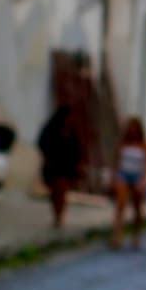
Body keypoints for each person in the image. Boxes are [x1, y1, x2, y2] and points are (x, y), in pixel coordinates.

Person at [31, 99, 85, 233]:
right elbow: (42, 143)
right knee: (55, 192)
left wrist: (78, 163)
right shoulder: (52, 128)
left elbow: (78, 148)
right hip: (54, 164)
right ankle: (57, 214)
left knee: (62, 191)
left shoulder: (72, 131)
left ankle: (60, 216)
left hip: (66, 166)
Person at [108, 115, 146, 251]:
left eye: (134, 129)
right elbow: (115, 161)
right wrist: (113, 178)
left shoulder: (145, 145)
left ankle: (136, 235)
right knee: (120, 204)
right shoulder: (123, 144)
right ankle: (117, 235)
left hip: (137, 176)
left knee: (137, 207)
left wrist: (144, 179)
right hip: (123, 174)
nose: (132, 131)